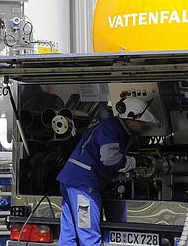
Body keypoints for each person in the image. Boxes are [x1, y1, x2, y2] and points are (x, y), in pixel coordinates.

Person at [56, 96, 156, 245]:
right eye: (142, 123)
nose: (144, 127)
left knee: (68, 234)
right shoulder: (111, 128)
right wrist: (135, 162)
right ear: (130, 119)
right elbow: (109, 158)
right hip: (83, 185)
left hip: (71, 182)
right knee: (88, 234)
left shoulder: (111, 126)